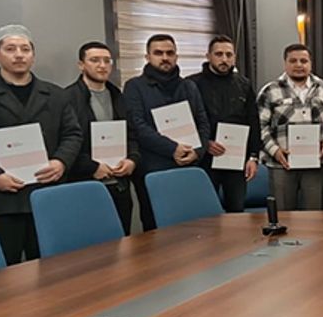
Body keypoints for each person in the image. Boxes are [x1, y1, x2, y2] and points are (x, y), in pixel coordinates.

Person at [0, 25, 82, 264]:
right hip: (2, 200)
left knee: (52, 267)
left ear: (33, 55)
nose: (19, 55)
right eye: (10, 49)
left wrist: (61, 162)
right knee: (4, 271)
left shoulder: (56, 94)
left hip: (47, 194)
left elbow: (72, 134)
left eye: (25, 49)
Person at [122, 34, 211, 231]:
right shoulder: (134, 86)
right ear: (147, 57)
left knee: (192, 225)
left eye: (170, 53)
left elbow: (203, 123)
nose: (165, 58)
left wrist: (197, 151)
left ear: (176, 57)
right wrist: (173, 148)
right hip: (152, 168)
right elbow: (138, 126)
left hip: (188, 165)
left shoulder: (189, 86)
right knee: (155, 229)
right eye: (158, 53)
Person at [64, 41, 140, 234]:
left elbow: (131, 134)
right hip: (85, 185)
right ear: (81, 65)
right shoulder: (67, 98)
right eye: (95, 60)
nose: (102, 65)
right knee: (91, 244)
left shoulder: (117, 95)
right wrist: (92, 167)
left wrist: (132, 159)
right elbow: (66, 143)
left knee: (123, 241)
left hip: (119, 184)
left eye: (107, 61)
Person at [256, 43, 323, 210]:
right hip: (281, 164)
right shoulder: (269, 91)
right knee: (283, 214)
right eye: (293, 61)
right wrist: (275, 151)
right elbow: (260, 126)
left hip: (316, 164)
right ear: (285, 63)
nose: (299, 65)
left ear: (311, 63)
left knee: (315, 215)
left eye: (303, 61)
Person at [187, 36, 260, 212]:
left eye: (229, 55)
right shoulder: (191, 84)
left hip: (236, 160)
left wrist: (253, 157)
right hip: (204, 159)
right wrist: (204, 143)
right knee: (204, 211)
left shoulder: (244, 84)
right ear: (208, 56)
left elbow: (253, 121)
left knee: (237, 210)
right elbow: (187, 122)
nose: (224, 59)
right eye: (219, 54)